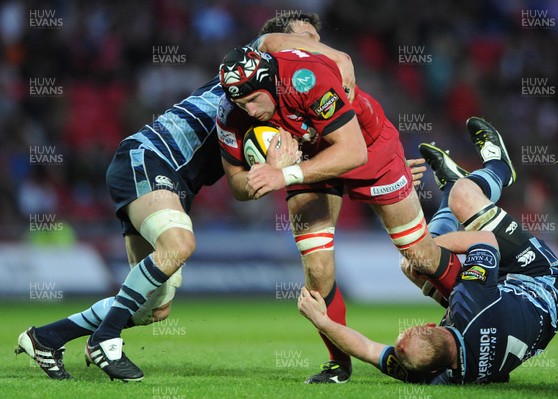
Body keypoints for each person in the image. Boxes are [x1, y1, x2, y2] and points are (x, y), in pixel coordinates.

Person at [15, 13, 356, 382]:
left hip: (174, 182)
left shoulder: (272, 110)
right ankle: (106, 338)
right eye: (308, 39)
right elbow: (272, 40)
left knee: (153, 307)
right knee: (180, 243)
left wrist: (274, 174)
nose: (314, 48)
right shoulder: (250, 69)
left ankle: (46, 337)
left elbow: (241, 191)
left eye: (319, 41)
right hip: (150, 156)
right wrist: (341, 57)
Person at [216, 46, 462, 383]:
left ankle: (474, 319)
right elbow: (237, 185)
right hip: (307, 165)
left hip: (369, 148)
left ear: (270, 83)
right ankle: (338, 365)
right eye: (241, 104)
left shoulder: (306, 80)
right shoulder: (230, 113)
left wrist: (284, 176)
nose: (249, 110)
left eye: (253, 100)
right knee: (317, 270)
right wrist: (261, 176)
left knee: (419, 255)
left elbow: (353, 151)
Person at [297, 117, 558, 384]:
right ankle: (499, 167)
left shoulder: (430, 373)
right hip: (540, 281)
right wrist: (423, 245)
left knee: (413, 267)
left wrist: (325, 322)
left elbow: (367, 350)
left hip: (517, 316)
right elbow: (486, 241)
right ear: (431, 326)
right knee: (462, 198)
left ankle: (449, 184)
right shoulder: (471, 305)